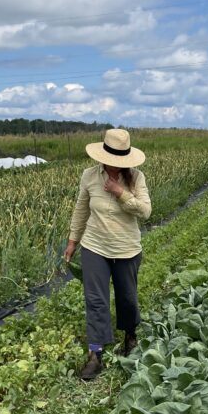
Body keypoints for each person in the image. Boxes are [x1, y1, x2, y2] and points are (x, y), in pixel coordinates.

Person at [64, 128, 151, 380]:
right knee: (96, 300)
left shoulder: (137, 178)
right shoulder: (89, 176)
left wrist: (120, 192)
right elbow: (81, 209)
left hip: (126, 248)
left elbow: (145, 212)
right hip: (95, 246)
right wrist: (73, 241)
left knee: (127, 298)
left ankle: (130, 337)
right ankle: (95, 354)